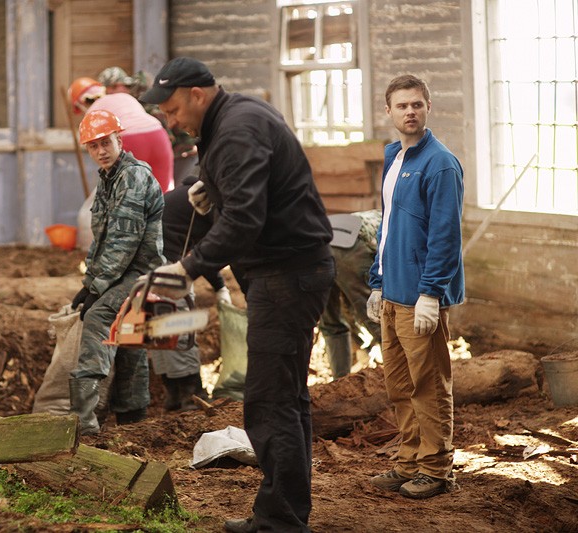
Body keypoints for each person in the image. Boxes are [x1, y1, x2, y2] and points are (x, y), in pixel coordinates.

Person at [140, 57, 335, 533]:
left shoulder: (236, 129)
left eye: (171, 110)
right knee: (286, 398)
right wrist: (209, 191)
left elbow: (245, 220)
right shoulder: (238, 116)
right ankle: (284, 513)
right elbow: (249, 191)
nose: (170, 121)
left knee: (269, 401)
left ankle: (281, 523)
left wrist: (186, 269)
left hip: (287, 273)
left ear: (197, 95)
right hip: (292, 269)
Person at [365, 74, 464, 500]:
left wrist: (431, 292)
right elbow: (387, 228)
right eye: (402, 105)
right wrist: (377, 282)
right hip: (392, 293)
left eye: (417, 105)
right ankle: (409, 461)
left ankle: (437, 469)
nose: (410, 111)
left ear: (427, 108)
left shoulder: (440, 163)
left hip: (420, 298)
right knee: (399, 386)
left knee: (428, 385)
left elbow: (445, 235)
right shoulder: (393, 157)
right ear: (388, 111)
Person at [69, 109, 166, 435]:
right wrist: (89, 283)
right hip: (124, 272)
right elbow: (102, 239)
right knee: (127, 338)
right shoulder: (109, 177)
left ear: (119, 140)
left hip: (140, 273)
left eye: (106, 142)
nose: (101, 150)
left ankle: (83, 424)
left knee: (98, 318)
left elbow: (124, 240)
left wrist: (96, 290)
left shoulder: (132, 177)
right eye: (93, 146)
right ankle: (132, 418)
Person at [151, 174, 232, 412]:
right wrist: (221, 287)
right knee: (180, 321)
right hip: (163, 264)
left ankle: (174, 397)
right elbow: (212, 249)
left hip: (151, 265)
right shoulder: (212, 204)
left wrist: (219, 286)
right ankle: (192, 396)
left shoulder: (190, 198)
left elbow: (200, 251)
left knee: (160, 326)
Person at [69, 76, 175, 192]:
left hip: (131, 140)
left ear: (82, 102)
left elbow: (98, 143)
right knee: (163, 194)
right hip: (158, 136)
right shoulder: (126, 97)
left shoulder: (93, 112)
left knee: (127, 195)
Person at [319, 209, 382, 379]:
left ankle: (340, 381)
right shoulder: (396, 220)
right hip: (347, 248)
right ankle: (403, 379)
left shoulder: (377, 216)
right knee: (376, 318)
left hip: (317, 249)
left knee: (331, 323)